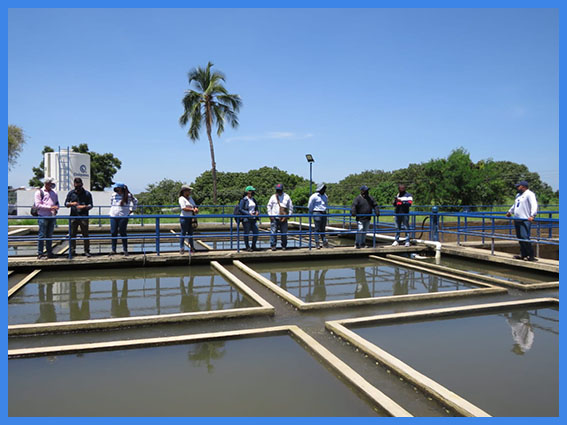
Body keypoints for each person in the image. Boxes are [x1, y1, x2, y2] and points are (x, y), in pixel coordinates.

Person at [506, 180, 538, 261]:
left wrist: (532, 215)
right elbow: (515, 205)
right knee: (520, 237)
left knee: (525, 237)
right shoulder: (518, 195)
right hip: (517, 219)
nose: (517, 187)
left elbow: (534, 205)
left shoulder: (530, 194)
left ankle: (531, 255)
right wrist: (510, 211)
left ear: (523, 187)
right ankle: (523, 254)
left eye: (518, 186)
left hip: (525, 219)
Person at [64, 177, 93, 257]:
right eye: (76, 186)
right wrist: (71, 204)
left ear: (82, 184)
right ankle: (72, 251)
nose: (78, 188)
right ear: (74, 185)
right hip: (73, 217)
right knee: (72, 234)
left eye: (79, 186)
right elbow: (66, 204)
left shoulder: (87, 194)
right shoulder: (71, 193)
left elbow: (91, 205)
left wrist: (84, 207)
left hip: (84, 217)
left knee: (85, 234)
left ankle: (87, 251)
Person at [109, 182, 138, 256]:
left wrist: (132, 210)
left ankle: (125, 249)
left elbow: (135, 201)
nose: (115, 188)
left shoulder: (128, 195)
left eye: (117, 187)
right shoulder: (113, 195)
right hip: (113, 215)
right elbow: (111, 203)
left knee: (123, 232)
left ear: (120, 188)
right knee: (113, 232)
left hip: (123, 215)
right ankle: (113, 249)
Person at [34, 177, 59, 259]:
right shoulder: (39, 192)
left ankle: (49, 252)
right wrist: (50, 207)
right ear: (46, 183)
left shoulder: (54, 192)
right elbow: (38, 205)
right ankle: (40, 253)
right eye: (50, 183)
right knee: (42, 235)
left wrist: (56, 207)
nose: (52, 185)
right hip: (43, 215)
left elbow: (56, 202)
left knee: (49, 235)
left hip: (52, 216)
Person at [267, 183, 294, 251]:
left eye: (279, 190)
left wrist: (289, 215)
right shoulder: (273, 197)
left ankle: (284, 246)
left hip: (284, 218)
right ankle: (273, 245)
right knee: (273, 232)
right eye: (277, 190)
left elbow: (291, 207)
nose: (278, 191)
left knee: (284, 233)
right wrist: (270, 215)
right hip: (274, 217)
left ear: (282, 190)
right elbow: (269, 206)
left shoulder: (287, 197)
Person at [308, 184, 329, 249]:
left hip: (324, 212)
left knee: (323, 228)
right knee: (317, 228)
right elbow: (310, 205)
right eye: (323, 189)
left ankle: (324, 242)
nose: (324, 190)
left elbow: (326, 204)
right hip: (317, 212)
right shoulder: (314, 196)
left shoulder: (325, 196)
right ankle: (317, 243)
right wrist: (312, 212)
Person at [178, 184, 198, 254]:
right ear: (184, 191)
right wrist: (192, 209)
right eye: (188, 190)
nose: (189, 192)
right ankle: (181, 248)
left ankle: (192, 247)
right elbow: (183, 208)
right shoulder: (181, 198)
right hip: (184, 218)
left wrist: (195, 208)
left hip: (191, 218)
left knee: (190, 233)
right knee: (183, 233)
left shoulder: (190, 198)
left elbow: (194, 205)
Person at [239, 186, 259, 251]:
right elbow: (240, 209)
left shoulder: (254, 199)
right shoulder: (243, 200)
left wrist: (257, 212)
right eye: (252, 191)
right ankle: (247, 247)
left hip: (254, 218)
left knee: (256, 232)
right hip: (246, 219)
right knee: (246, 233)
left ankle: (253, 246)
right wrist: (248, 213)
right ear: (248, 192)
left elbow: (256, 208)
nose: (253, 192)